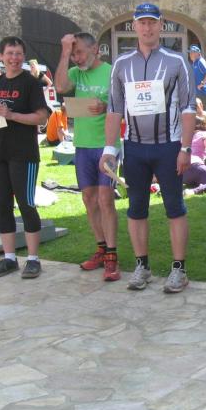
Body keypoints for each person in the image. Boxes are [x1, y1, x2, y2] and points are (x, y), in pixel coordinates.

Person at [101, 2, 195, 294]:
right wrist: (109, 149)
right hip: (135, 147)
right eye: (142, 22)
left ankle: (179, 269)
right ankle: (142, 266)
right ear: (134, 26)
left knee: (175, 207)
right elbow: (114, 109)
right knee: (136, 208)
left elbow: (189, 107)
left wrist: (186, 148)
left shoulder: (177, 61)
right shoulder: (121, 64)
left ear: (161, 25)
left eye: (152, 22)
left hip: (168, 146)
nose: (147, 27)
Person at [54, 32, 120, 282]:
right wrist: (64, 53)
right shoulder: (75, 72)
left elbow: (125, 106)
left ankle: (112, 255)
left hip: (107, 145)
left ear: (95, 50)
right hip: (82, 145)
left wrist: (106, 107)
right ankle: (101, 248)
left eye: (80, 52)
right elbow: (60, 87)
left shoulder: (111, 72)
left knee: (105, 199)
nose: (77, 58)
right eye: (73, 54)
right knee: (88, 198)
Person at [0, 36, 50, 279]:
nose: (14, 58)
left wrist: (11, 115)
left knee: (26, 204)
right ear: (1, 56)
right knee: (3, 205)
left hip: (24, 154)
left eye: (18, 53)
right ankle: (9, 258)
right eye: (10, 53)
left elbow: (42, 117)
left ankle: (33, 259)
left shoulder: (31, 83)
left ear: (23, 56)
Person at [189, 45, 206, 114]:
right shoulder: (195, 63)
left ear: (197, 53)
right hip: (197, 92)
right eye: (190, 52)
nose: (190, 54)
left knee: (204, 112)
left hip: (202, 92)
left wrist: (202, 84)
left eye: (192, 52)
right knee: (199, 112)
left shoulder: (200, 62)